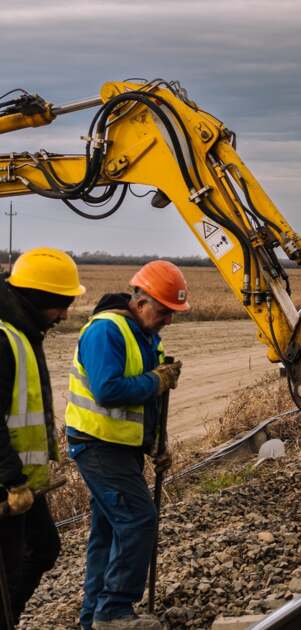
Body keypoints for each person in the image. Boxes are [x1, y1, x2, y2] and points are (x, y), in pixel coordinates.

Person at [67, 261, 188, 630]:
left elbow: (145, 401)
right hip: (98, 444)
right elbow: (108, 391)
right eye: (164, 311)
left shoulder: (145, 334)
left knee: (109, 530)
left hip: (120, 447)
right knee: (137, 519)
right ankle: (114, 611)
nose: (168, 319)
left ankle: (94, 616)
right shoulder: (107, 331)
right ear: (140, 301)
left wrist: (155, 444)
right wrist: (155, 381)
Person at [0, 248, 85, 630]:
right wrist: (13, 481)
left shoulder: (23, 332)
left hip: (23, 483)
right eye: (62, 304)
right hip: (8, 485)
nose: (66, 313)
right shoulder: (4, 339)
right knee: (8, 572)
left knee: (44, 549)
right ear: (38, 299)